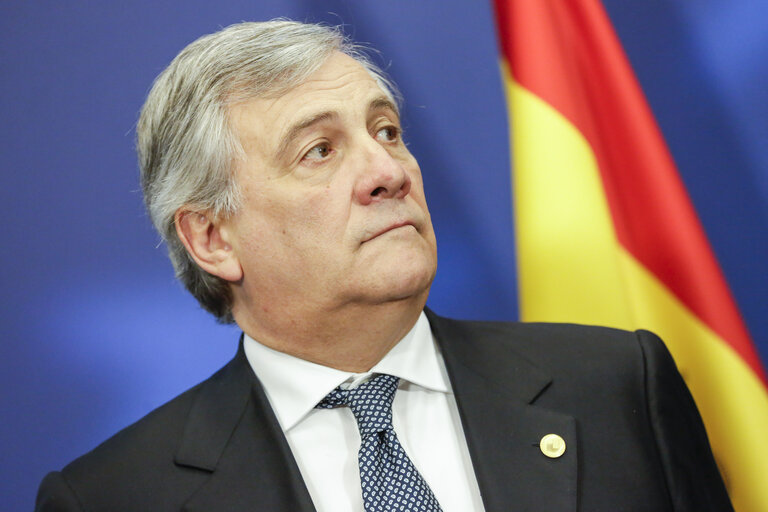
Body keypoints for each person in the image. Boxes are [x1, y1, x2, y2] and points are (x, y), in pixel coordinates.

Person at [36, 20, 733, 512]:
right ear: (213, 238)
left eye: (387, 131)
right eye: (319, 151)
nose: (386, 171)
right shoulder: (115, 496)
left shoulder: (615, 388)